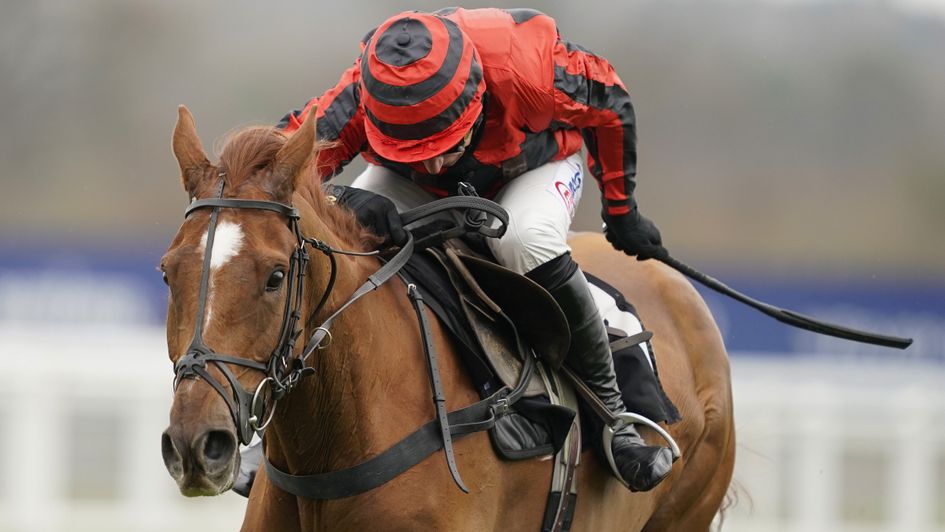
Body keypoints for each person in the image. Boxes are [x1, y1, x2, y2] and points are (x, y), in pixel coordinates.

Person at [278, 7, 672, 492]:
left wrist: (621, 209)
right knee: (338, 228)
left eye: (443, 144)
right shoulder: (366, 89)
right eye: (418, 149)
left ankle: (617, 420)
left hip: (535, 166)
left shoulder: (527, 67)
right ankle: (279, 412)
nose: (435, 163)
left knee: (521, 240)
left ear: (475, 97)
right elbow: (281, 161)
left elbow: (611, 103)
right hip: (413, 183)